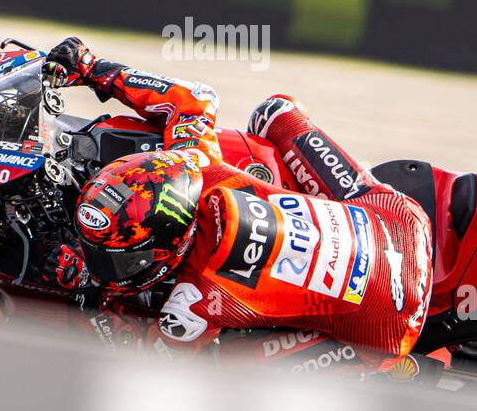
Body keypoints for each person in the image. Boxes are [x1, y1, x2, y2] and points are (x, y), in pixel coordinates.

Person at [43, 37, 434, 370]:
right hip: (402, 222)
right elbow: (195, 99)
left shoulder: (190, 303)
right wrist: (93, 68)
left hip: (387, 329)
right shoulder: (197, 163)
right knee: (274, 113)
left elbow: (151, 365)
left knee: (220, 369)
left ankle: (366, 373)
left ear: (172, 241)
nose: (108, 267)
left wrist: (91, 294)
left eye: (122, 259)